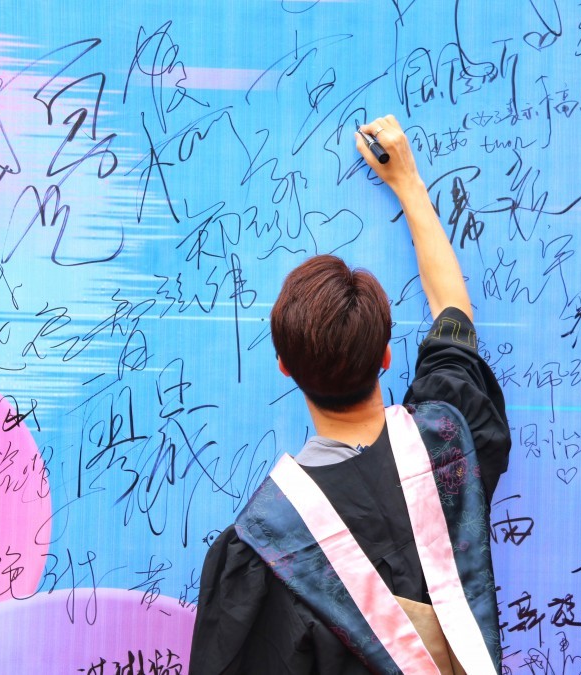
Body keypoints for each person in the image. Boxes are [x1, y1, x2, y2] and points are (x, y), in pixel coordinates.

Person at [189, 115, 512, 674]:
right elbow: (452, 313)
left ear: (284, 367)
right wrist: (408, 181)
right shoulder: (451, 444)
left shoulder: (266, 548)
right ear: (386, 356)